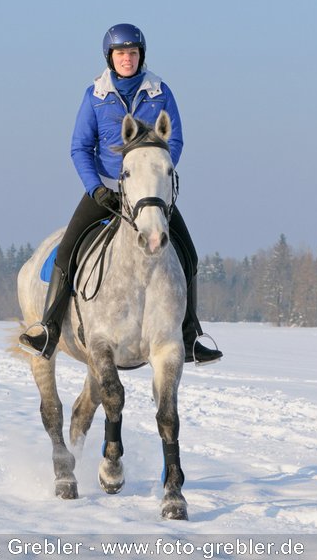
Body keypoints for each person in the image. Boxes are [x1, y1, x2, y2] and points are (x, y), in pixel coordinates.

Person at [19, 23, 223, 364]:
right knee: (68, 250)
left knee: (188, 253)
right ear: (110, 58)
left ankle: (189, 335)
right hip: (106, 190)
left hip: (148, 195)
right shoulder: (94, 96)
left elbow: (175, 140)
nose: (126, 59)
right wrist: (95, 189)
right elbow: (80, 147)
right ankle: (49, 328)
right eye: (120, 53)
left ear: (141, 56)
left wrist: (153, 176)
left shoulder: (161, 92)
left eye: (132, 52)